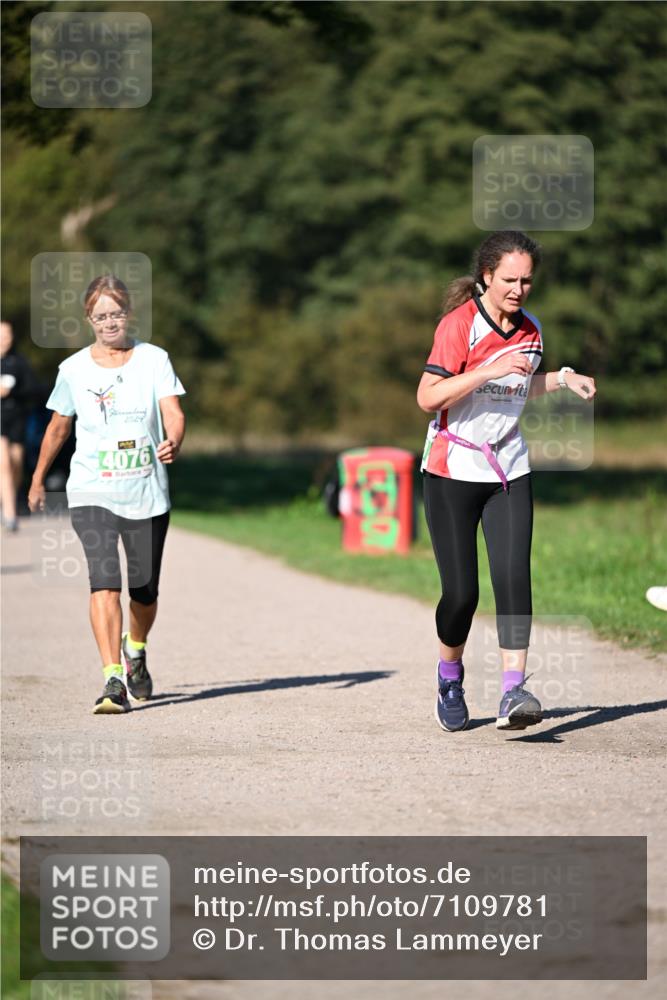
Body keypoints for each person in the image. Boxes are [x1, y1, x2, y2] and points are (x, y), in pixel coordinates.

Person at [417, 231, 596, 733]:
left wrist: (561, 378)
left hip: (509, 468)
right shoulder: (459, 326)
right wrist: (485, 369)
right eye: (510, 280)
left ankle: (512, 691)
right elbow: (429, 397)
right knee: (461, 595)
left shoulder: (532, 330)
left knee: (514, 578)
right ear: (487, 277)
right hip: (453, 469)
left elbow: (519, 383)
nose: (519, 289)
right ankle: (449, 678)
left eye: (527, 280)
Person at [28, 276, 186, 715]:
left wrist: (173, 439)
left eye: (116, 313)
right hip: (91, 489)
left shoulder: (154, 360)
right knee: (104, 582)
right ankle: (112, 679)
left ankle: (136, 648)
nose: (109, 322)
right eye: (101, 315)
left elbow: (172, 411)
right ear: (89, 319)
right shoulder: (74, 369)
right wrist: (38, 476)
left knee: (145, 590)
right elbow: (59, 426)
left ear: (128, 313)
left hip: (146, 492)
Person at [1, 321, 39, 531]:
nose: (4, 339)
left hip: (17, 419)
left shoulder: (19, 362)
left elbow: (34, 389)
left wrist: (12, 392)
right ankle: (10, 514)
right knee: (4, 463)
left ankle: (6, 499)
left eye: (7, 335)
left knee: (15, 463)